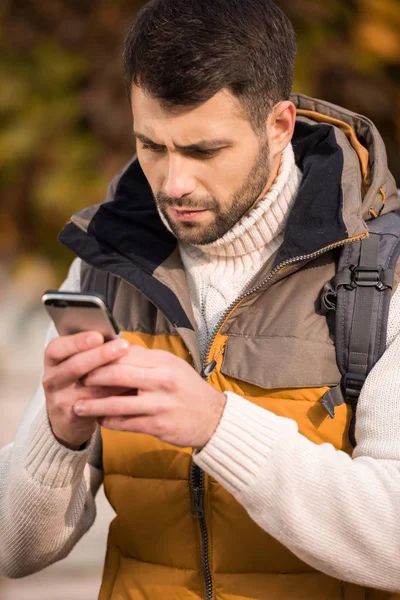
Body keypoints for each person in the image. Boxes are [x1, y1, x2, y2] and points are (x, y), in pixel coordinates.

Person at [1, 0, 400, 598]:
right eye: (152, 145)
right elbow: (16, 550)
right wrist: (58, 437)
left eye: (203, 151)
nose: (172, 183)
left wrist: (217, 427)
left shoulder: (383, 278)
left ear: (279, 125)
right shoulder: (105, 262)